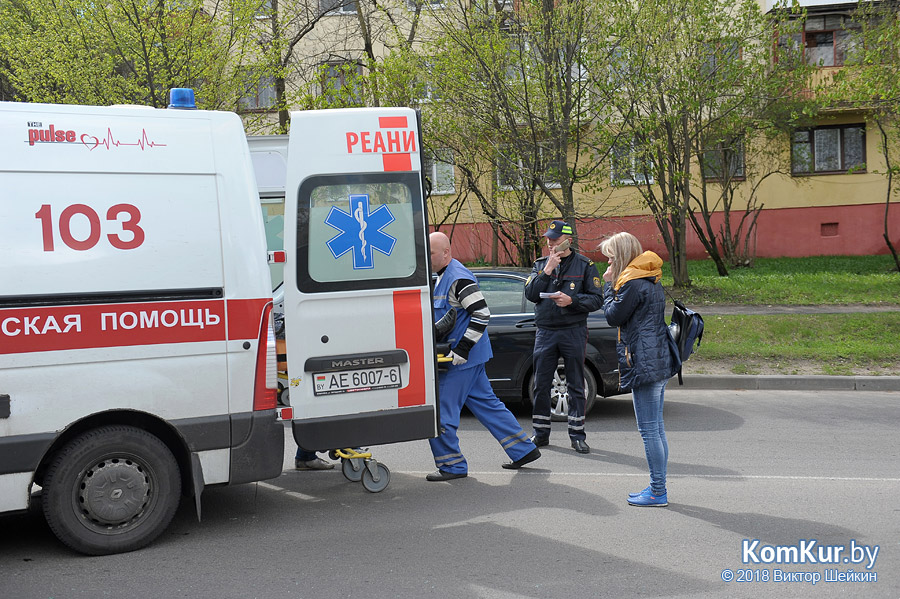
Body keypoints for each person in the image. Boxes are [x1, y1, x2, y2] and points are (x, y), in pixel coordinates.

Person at [426, 231, 541, 481]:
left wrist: (463, 348)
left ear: (446, 253)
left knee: (442, 412)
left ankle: (451, 466)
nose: (427, 256)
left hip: (460, 359)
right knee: (488, 405)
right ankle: (523, 449)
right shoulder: (445, 276)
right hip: (469, 358)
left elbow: (481, 314)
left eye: (431, 252)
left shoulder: (457, 278)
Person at [599, 232, 680, 507]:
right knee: (656, 429)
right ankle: (658, 487)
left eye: (610, 257)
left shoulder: (631, 283)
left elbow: (612, 317)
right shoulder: (649, 276)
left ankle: (658, 491)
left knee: (648, 431)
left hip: (644, 362)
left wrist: (608, 286)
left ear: (620, 256)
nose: (608, 263)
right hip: (657, 358)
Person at [524, 220, 604, 454]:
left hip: (573, 330)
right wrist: (547, 270)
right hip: (546, 332)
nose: (550, 243)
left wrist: (573, 301)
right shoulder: (540, 265)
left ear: (568, 240)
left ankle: (577, 435)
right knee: (540, 384)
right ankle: (540, 433)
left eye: (555, 240)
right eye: (548, 239)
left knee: (576, 384)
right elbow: (531, 293)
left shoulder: (585, 265)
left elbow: (597, 299)